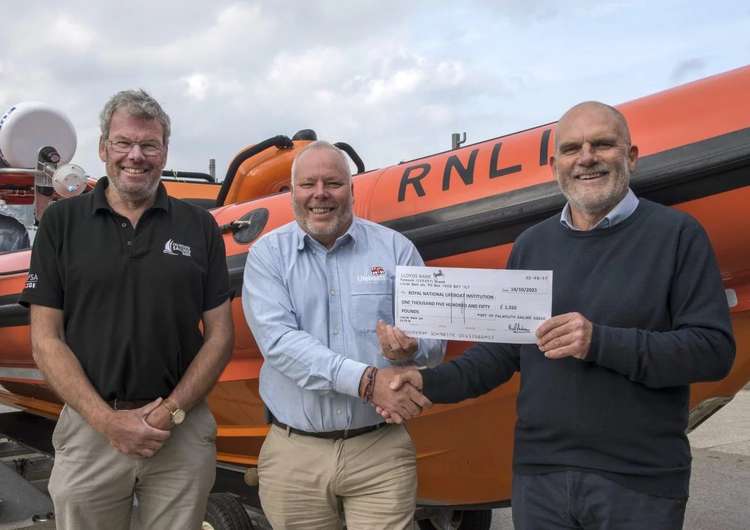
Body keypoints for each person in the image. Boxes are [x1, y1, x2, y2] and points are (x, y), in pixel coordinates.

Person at [383, 101, 735, 529]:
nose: (586, 157)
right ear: (555, 166)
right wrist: (425, 381)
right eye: (572, 149)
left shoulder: (677, 236)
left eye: (602, 144)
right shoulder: (532, 245)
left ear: (632, 156)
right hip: (541, 479)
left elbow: (712, 351)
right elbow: (500, 355)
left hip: (639, 481)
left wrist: (599, 341)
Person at [20, 89, 233, 530]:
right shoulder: (61, 224)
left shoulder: (199, 226)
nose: (135, 156)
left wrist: (169, 411)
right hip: (89, 429)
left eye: (149, 145)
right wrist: (106, 420)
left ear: (164, 151)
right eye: (123, 143)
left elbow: (220, 336)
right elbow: (45, 339)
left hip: (180, 427)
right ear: (103, 148)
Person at [242, 140, 444, 530]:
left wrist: (413, 346)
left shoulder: (396, 250)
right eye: (308, 184)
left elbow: (435, 343)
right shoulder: (267, 255)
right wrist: (368, 381)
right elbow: (280, 343)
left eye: (333, 183)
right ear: (292, 191)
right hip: (294, 453)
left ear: (352, 189)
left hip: (379, 451)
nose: (320, 194)